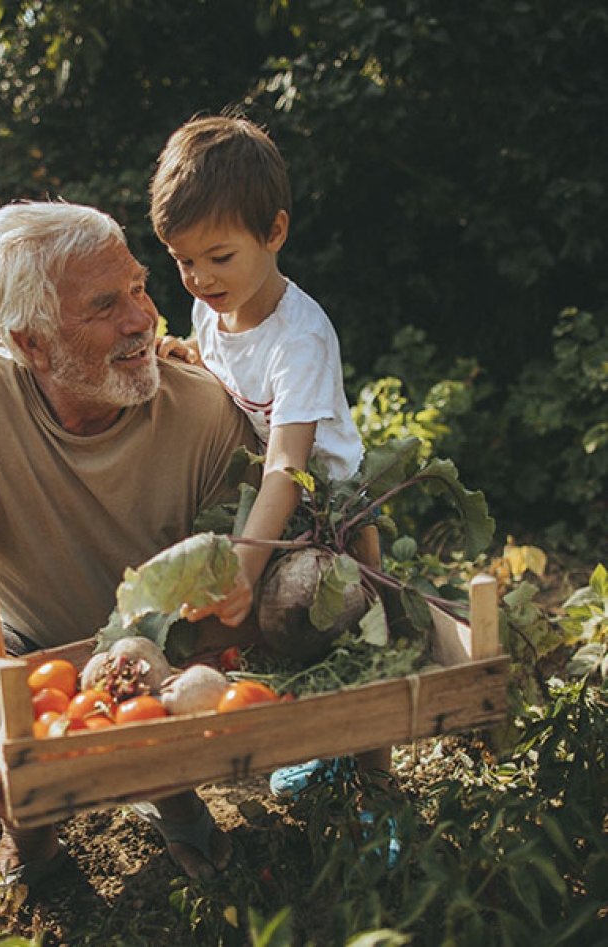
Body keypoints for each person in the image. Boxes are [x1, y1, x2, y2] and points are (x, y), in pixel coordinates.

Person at [0, 200, 255, 933]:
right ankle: (34, 813)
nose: (141, 318)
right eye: (103, 305)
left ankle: (166, 787)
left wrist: (122, 667)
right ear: (32, 342)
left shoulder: (205, 412)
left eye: (140, 287)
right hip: (33, 655)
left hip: (164, 655)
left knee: (203, 686)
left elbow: (227, 602)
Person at [149, 116, 393, 804]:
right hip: (277, 505)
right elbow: (231, 370)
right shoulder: (213, 311)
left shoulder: (301, 336)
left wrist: (247, 559)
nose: (198, 278)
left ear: (274, 233)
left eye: (218, 257)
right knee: (283, 644)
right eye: (182, 260)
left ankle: (377, 785)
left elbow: (289, 462)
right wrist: (190, 355)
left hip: (338, 510)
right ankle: (322, 756)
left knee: (359, 650)